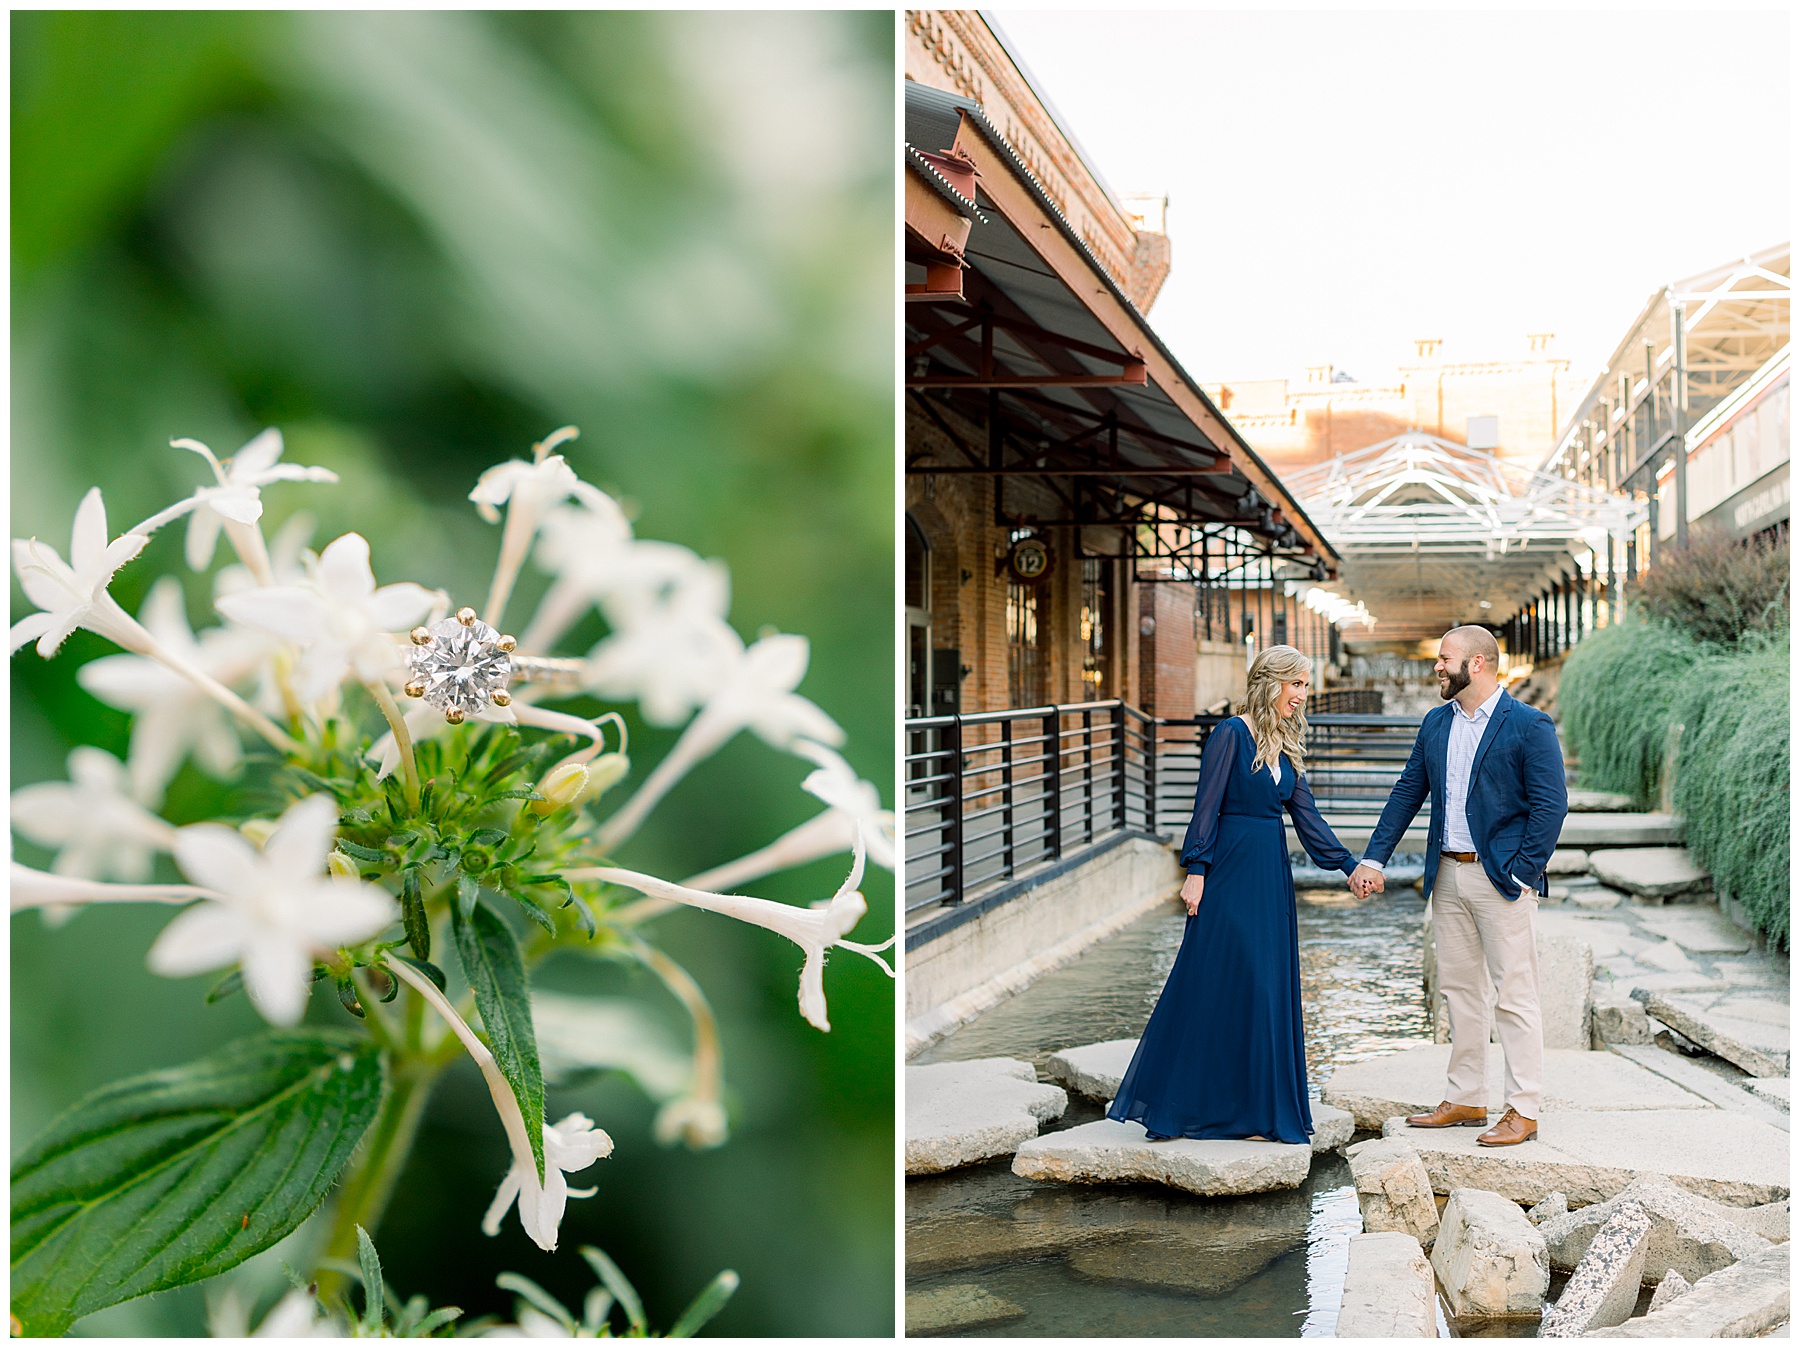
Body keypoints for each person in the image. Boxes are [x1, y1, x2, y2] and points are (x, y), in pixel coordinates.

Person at [1107, 645, 1360, 1145]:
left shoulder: (1286, 744)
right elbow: (1207, 805)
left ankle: (1258, 1113)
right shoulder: (1229, 734)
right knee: (1214, 979)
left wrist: (1348, 866)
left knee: (1265, 988)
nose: (1303, 697)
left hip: (1269, 872)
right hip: (1227, 870)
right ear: (1271, 683)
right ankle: (1178, 1107)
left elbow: (1306, 818)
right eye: (1297, 686)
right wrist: (1197, 869)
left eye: (1306, 687)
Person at [1350, 625, 1567, 1147]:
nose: (1436, 668)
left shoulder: (1528, 725)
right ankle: (1467, 1096)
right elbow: (1408, 792)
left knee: (1514, 995)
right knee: (1460, 992)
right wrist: (1375, 857)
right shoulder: (1435, 723)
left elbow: (1550, 806)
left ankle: (1523, 1108)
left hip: (1500, 880)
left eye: (1444, 659)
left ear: (1477, 664)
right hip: (1445, 874)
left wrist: (1518, 872)